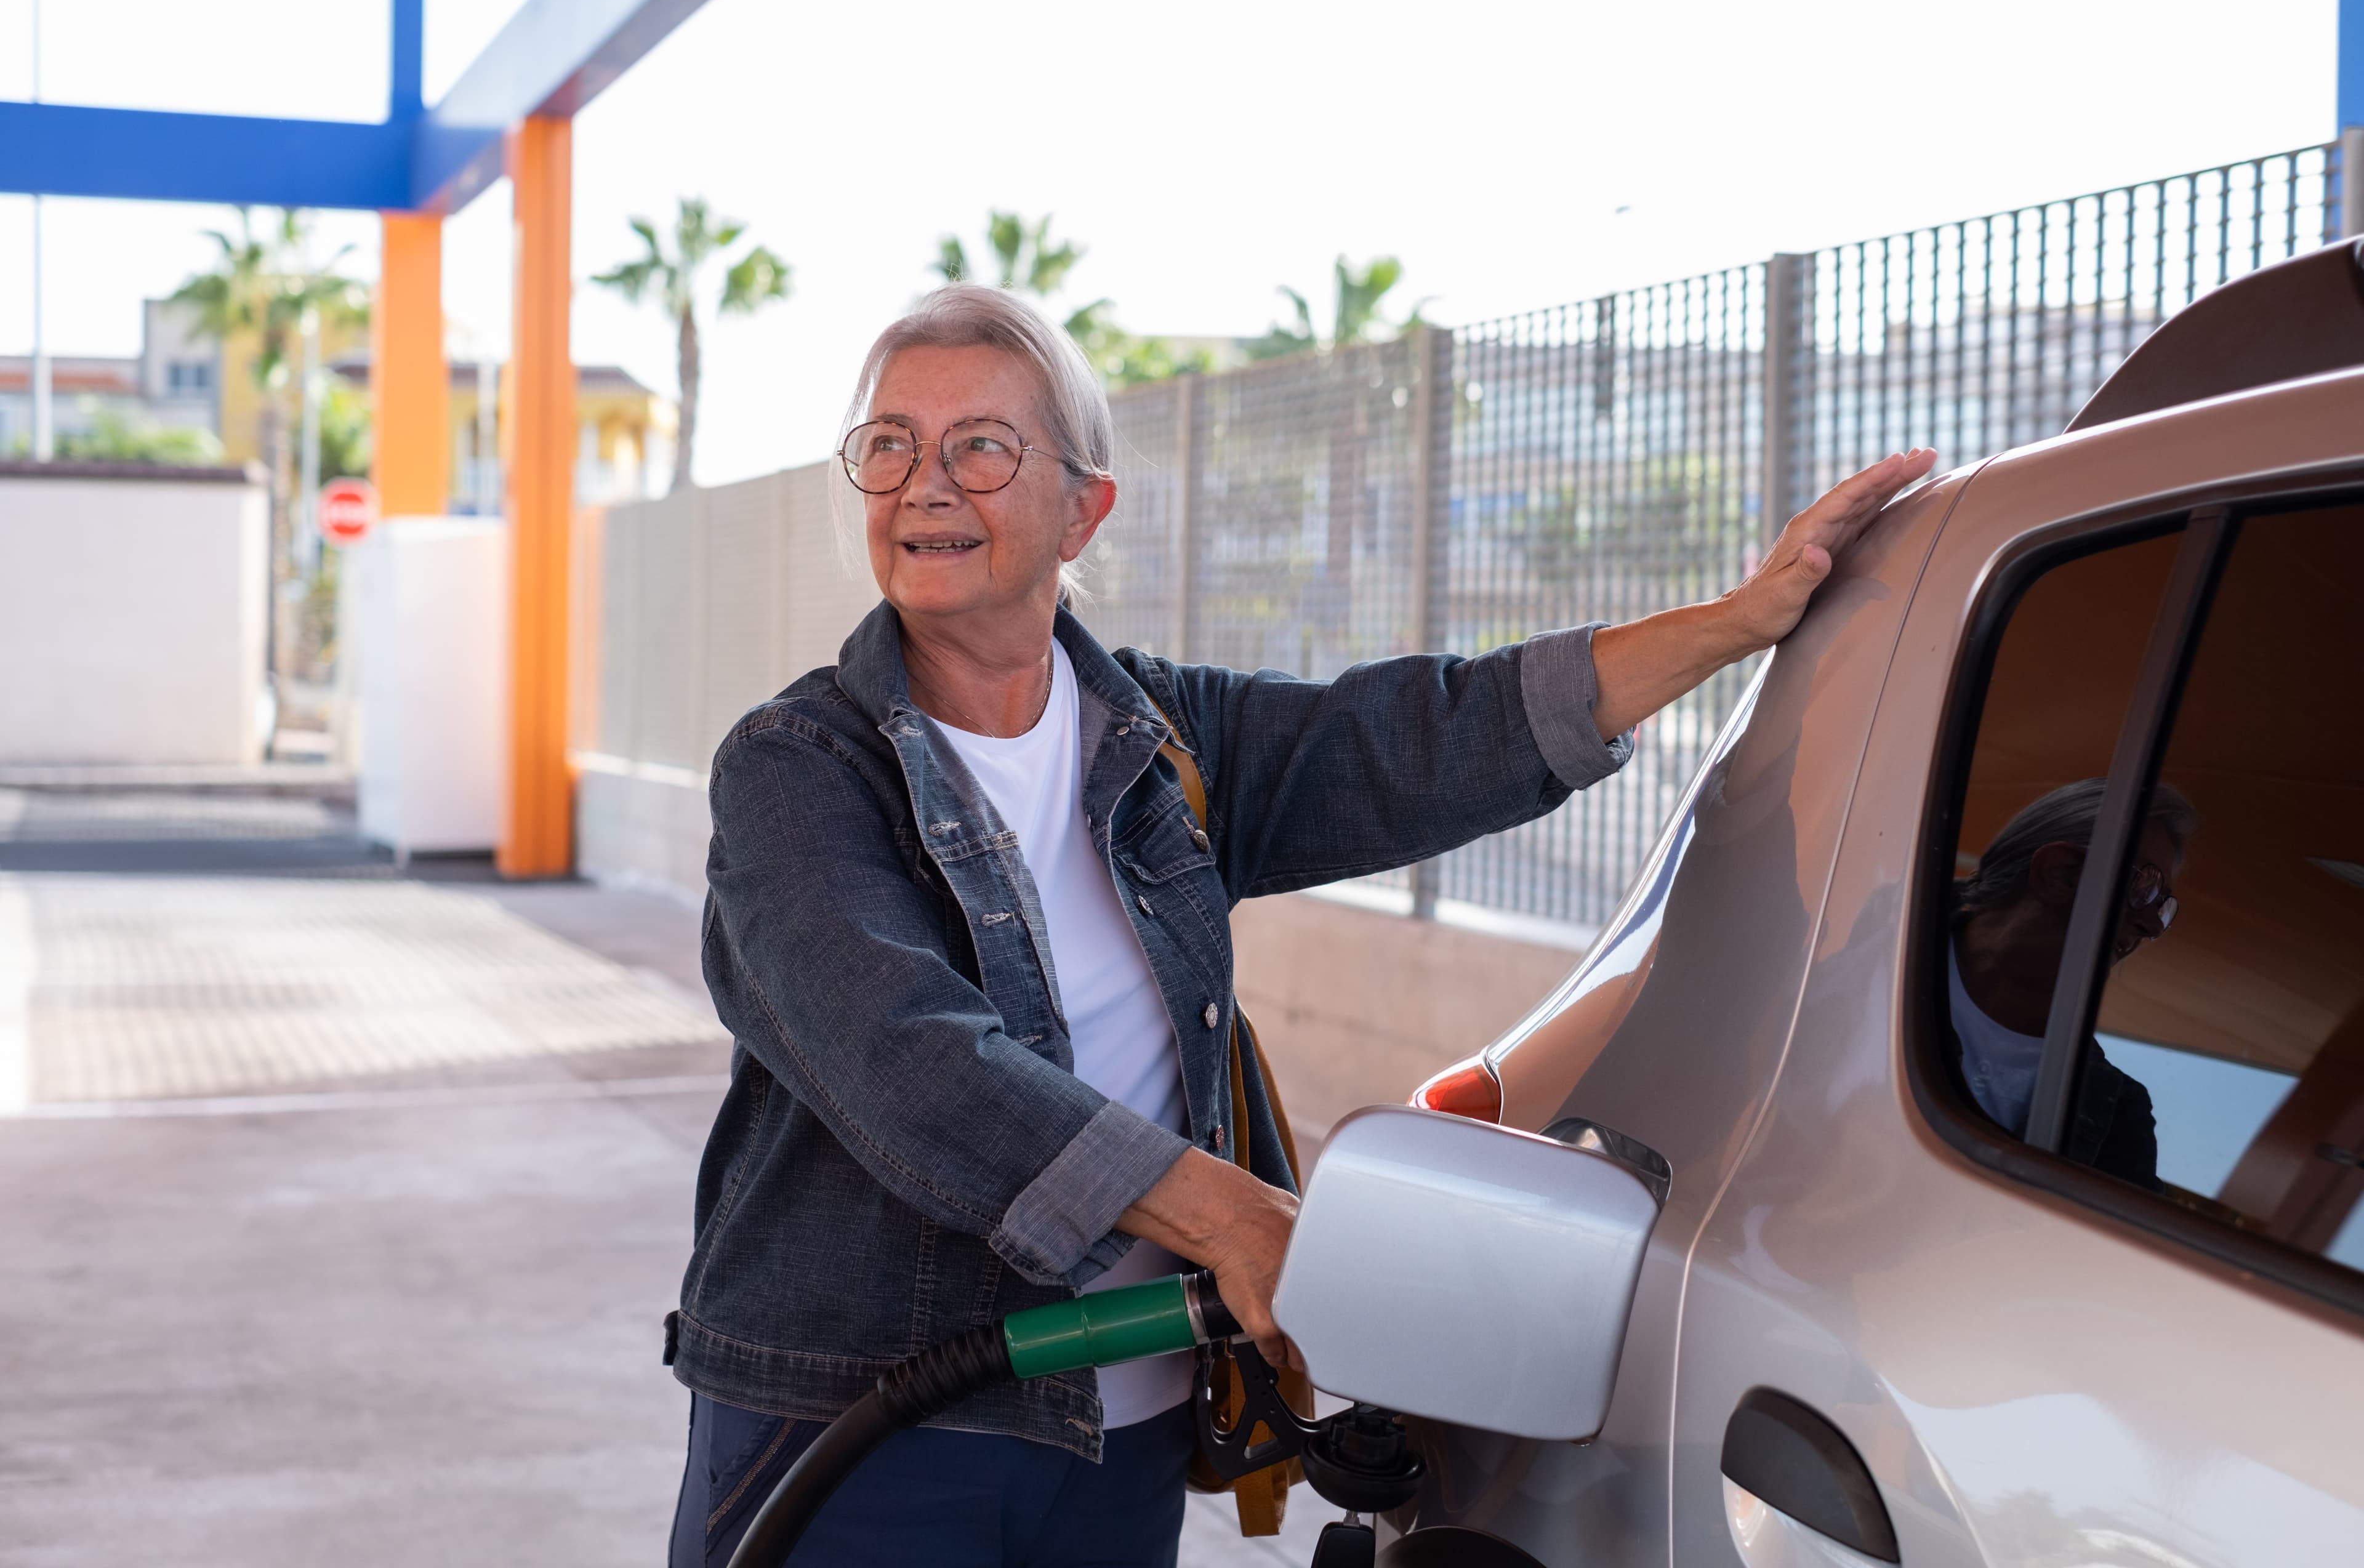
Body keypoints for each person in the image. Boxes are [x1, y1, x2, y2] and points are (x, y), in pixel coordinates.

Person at [665, 283, 1936, 1567]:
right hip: (869, 1429)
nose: (925, 483)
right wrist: (1237, 1218)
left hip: (1124, 1421)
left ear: (1083, 506)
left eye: (981, 446)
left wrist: (1734, 623)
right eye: (890, 445)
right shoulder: (798, 768)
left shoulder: (1160, 741)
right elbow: (911, 1060)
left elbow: (1416, 737)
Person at [1948, 778, 2198, 1188]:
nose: (2152, 925)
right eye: (2145, 887)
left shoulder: (2118, 1116)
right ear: (2059, 872)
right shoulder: (1869, 947)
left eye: (2163, 906)